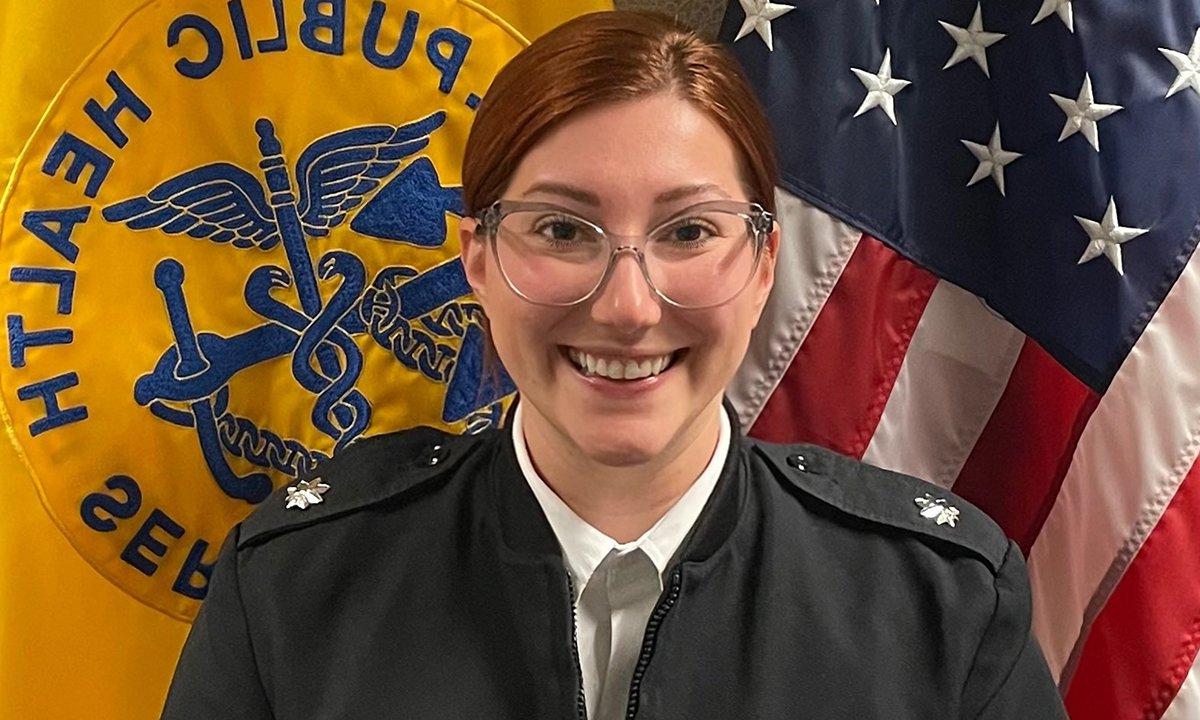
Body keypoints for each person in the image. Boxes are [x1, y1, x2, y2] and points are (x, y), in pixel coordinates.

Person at [160, 10, 1068, 719]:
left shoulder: (941, 603)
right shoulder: (293, 588)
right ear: (478, 260)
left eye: (688, 232)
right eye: (560, 229)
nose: (629, 307)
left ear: (761, 267)